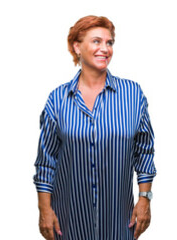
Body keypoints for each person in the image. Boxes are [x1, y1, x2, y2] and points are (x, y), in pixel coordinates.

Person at [34, 15, 155, 240]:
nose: (105, 49)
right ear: (77, 47)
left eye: (109, 43)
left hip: (119, 223)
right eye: (97, 41)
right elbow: (46, 161)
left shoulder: (132, 94)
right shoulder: (58, 99)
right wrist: (44, 210)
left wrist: (145, 198)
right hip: (69, 224)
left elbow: (144, 151)